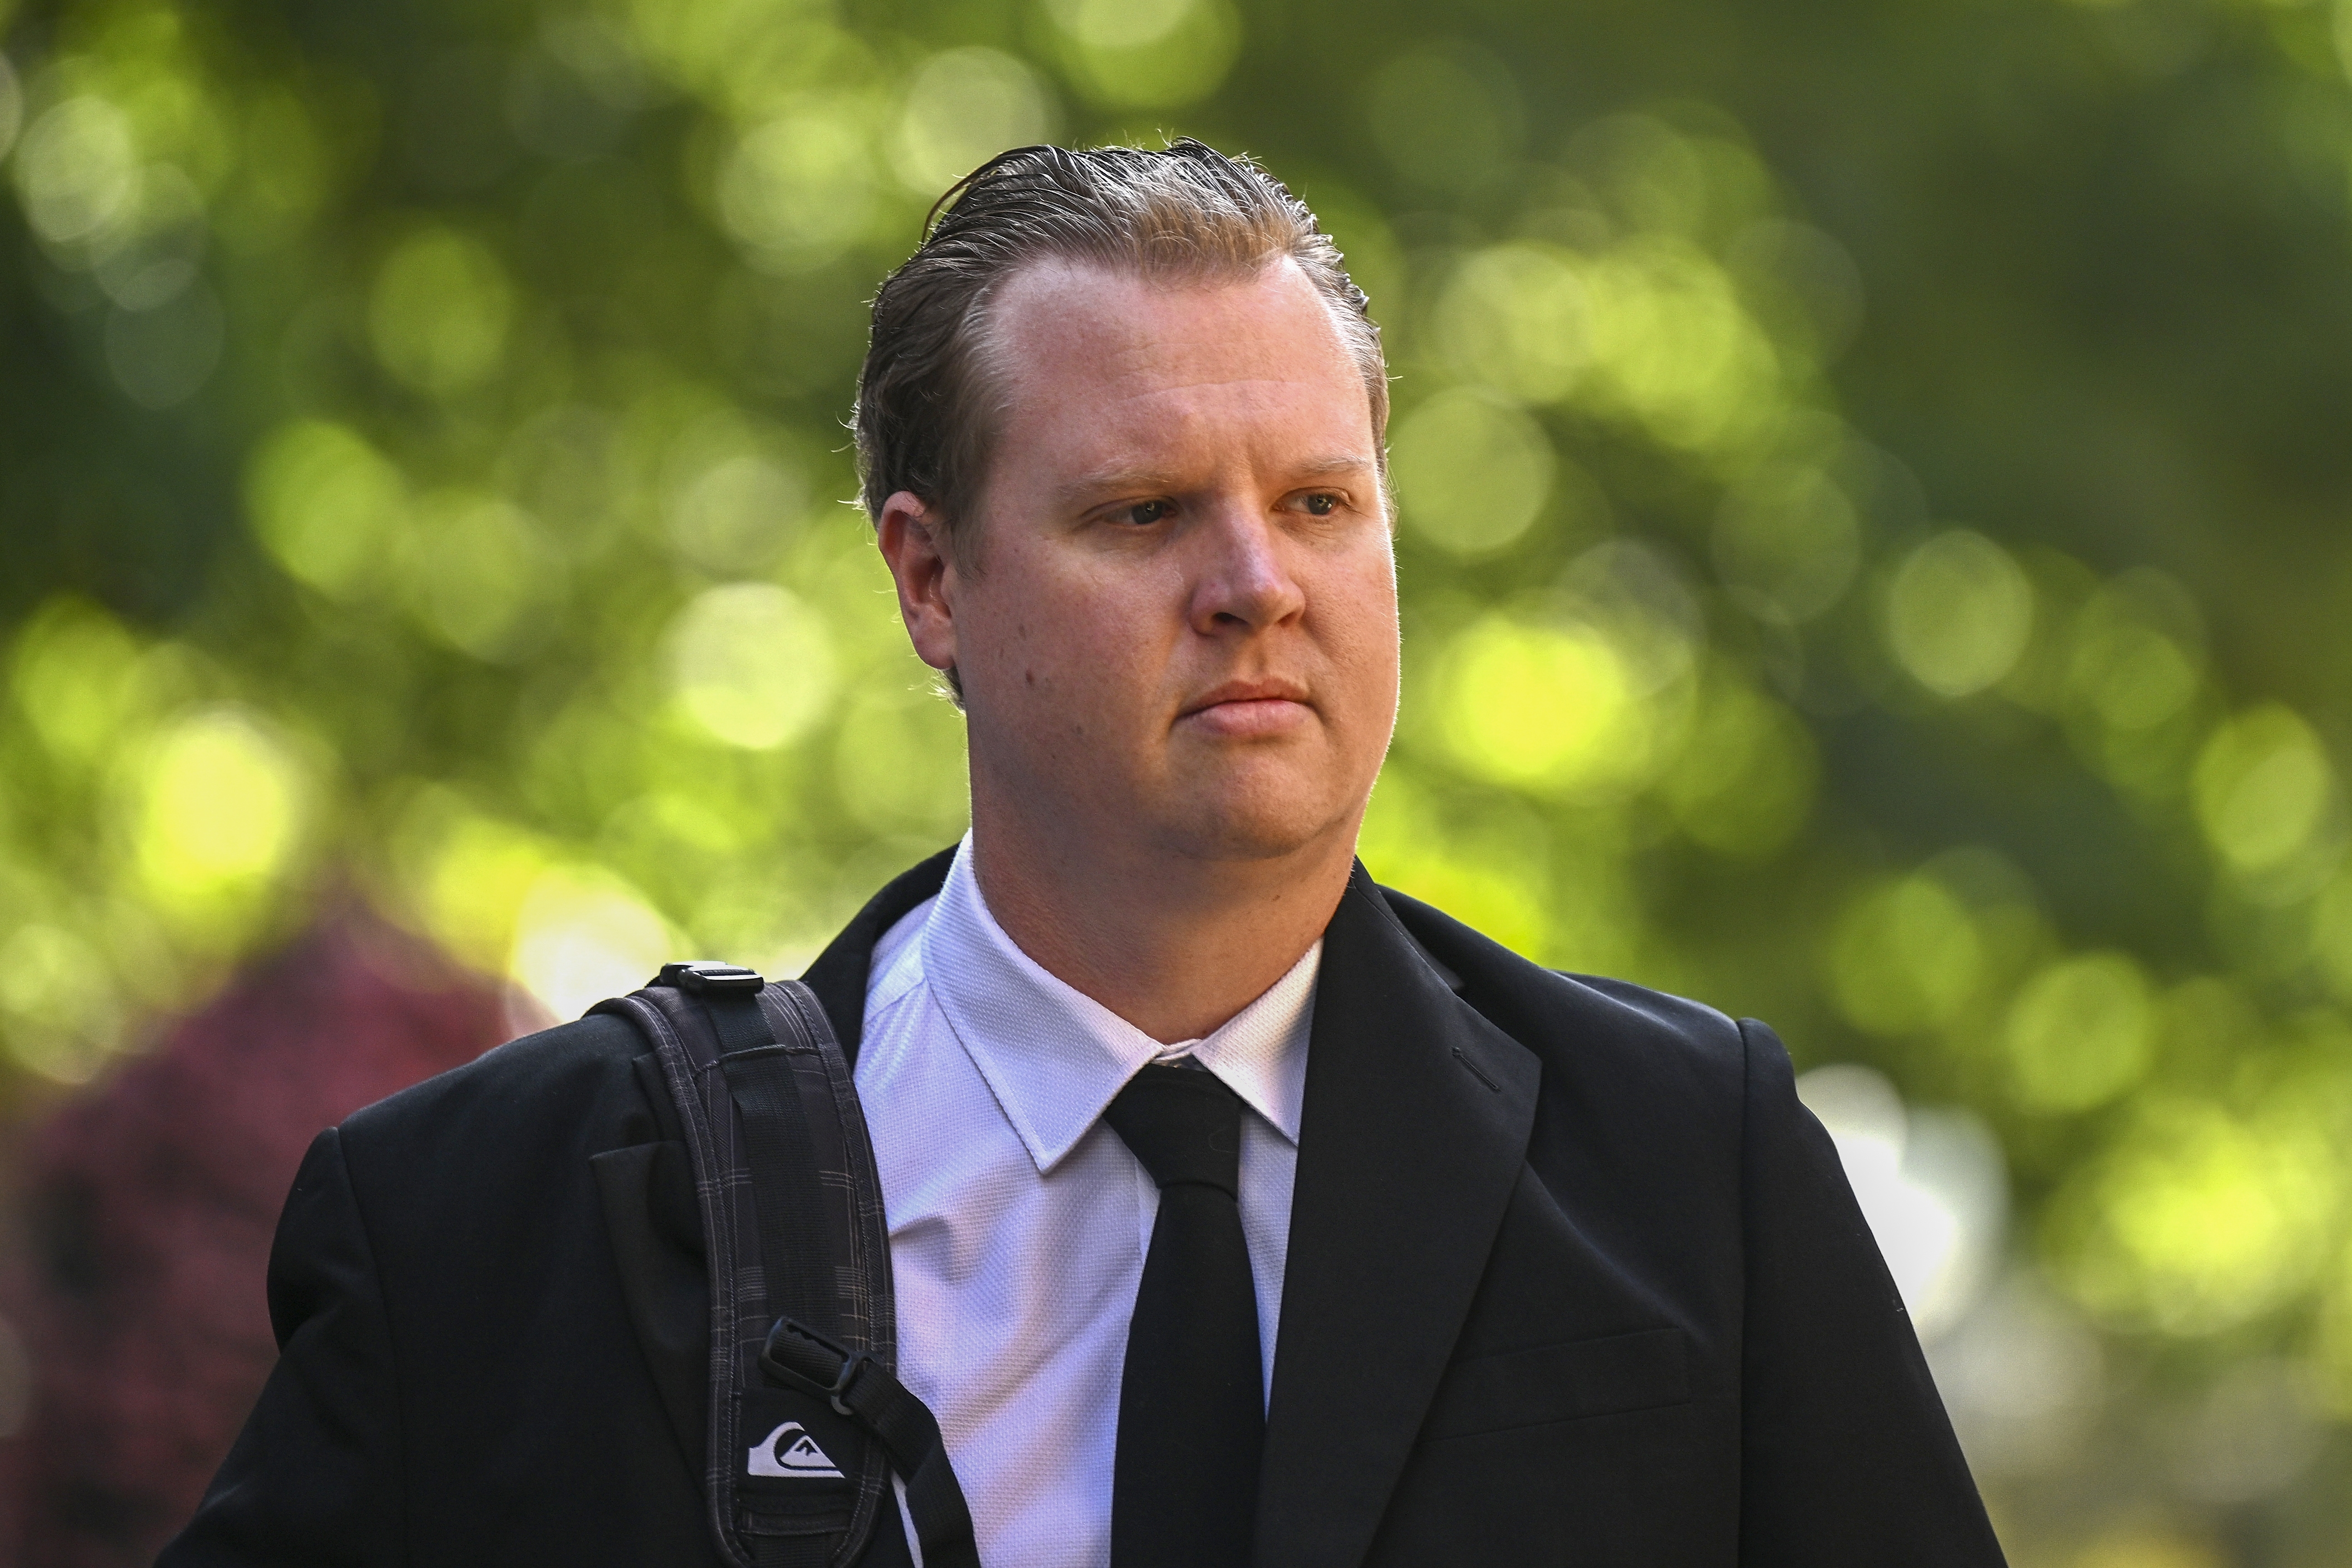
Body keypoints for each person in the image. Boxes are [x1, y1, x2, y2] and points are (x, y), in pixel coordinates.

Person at [160, 142, 2006, 1567]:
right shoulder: (490, 1229)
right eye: (1141, 512)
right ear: (931, 580)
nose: (1254, 583)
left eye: (1315, 503)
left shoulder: (1691, 1164)